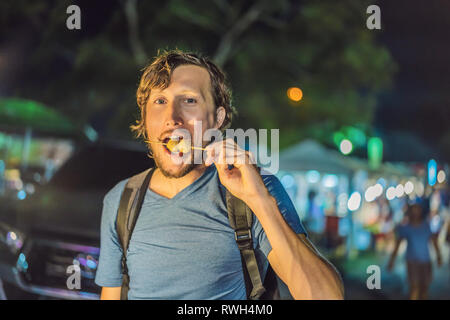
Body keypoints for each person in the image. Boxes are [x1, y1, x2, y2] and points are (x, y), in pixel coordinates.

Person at [94, 49, 343, 300]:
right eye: (160, 101)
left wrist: (259, 199)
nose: (172, 118)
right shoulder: (121, 200)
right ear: (145, 119)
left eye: (189, 100)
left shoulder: (255, 191)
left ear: (217, 118)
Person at [387, 203, 442, 299]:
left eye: (418, 210)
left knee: (425, 288)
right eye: (413, 210)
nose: (415, 213)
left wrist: (439, 256)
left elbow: (434, 242)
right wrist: (392, 260)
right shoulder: (406, 228)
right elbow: (397, 244)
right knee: (414, 287)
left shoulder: (426, 226)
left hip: (425, 260)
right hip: (412, 261)